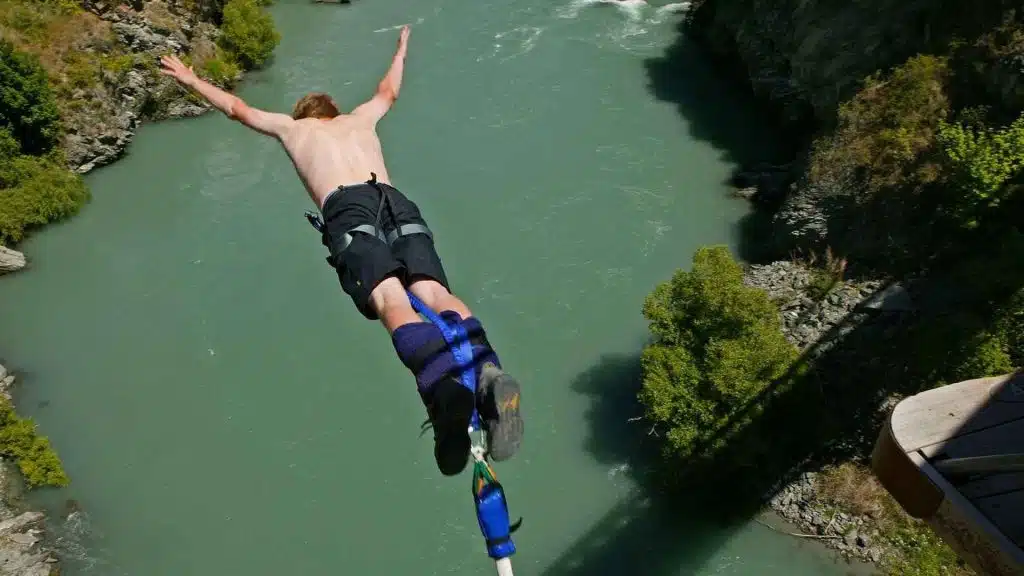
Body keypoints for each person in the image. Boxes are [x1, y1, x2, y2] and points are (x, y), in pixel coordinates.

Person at [158, 25, 523, 477]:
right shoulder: (361, 119)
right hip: (394, 198)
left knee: (391, 298)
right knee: (430, 289)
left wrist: (192, 80)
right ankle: (487, 370)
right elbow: (388, 91)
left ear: (306, 114)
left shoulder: (293, 128)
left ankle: (443, 388)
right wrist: (402, 48)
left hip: (347, 207)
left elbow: (237, 108)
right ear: (334, 112)